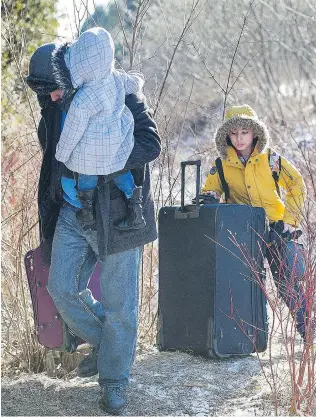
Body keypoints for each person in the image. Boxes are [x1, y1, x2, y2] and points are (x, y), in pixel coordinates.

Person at [25, 30, 161, 414]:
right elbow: (52, 162)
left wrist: (106, 156)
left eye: (53, 89)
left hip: (119, 216)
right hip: (72, 212)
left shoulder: (124, 94)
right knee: (61, 286)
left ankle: (114, 382)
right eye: (43, 92)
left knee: (121, 307)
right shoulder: (53, 109)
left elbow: (151, 143)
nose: (49, 97)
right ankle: (107, 344)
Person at [201, 104, 309, 341]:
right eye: (234, 133)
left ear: (255, 133)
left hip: (276, 229)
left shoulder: (270, 160)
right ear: (226, 135)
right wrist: (208, 198)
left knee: (287, 284)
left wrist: (290, 221)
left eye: (245, 132)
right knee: (246, 283)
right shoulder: (222, 164)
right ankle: (251, 336)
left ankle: (308, 333)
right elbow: (210, 191)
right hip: (241, 231)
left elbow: (297, 185)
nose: (239, 139)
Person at [55, 27, 146, 231]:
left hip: (90, 150)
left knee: (86, 176)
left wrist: (62, 154)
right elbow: (133, 83)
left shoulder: (82, 98)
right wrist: (140, 79)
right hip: (116, 142)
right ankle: (135, 206)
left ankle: (86, 210)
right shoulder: (116, 78)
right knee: (121, 173)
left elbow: (72, 129)